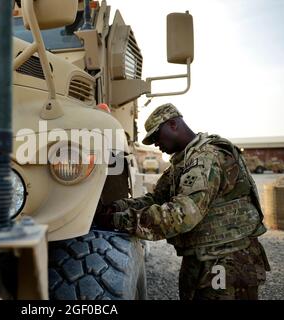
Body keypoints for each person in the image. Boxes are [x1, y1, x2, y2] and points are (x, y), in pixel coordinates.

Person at [95, 103, 270, 300]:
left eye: (156, 136)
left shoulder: (205, 157)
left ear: (173, 125)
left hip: (226, 259)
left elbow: (181, 215)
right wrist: (119, 206)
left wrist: (118, 220)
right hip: (203, 256)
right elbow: (156, 198)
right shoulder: (184, 161)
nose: (155, 144)